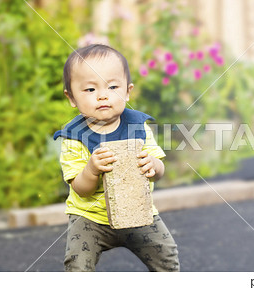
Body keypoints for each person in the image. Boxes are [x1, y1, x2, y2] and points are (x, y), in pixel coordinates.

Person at [53, 44, 180, 272]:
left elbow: (159, 169)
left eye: (112, 87)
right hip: (90, 218)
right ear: (71, 97)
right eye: (90, 90)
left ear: (128, 91)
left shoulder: (138, 127)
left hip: (138, 212)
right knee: (77, 265)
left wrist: (153, 165)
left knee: (167, 257)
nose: (102, 95)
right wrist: (91, 170)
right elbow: (80, 189)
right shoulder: (73, 137)